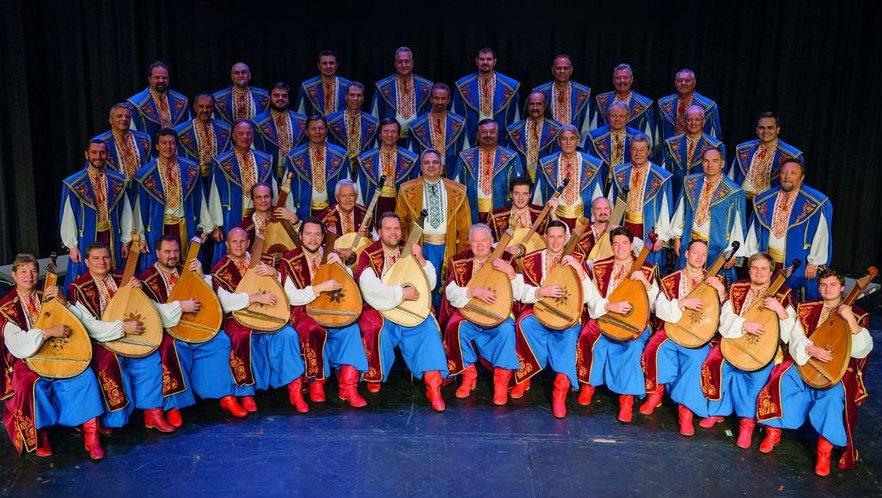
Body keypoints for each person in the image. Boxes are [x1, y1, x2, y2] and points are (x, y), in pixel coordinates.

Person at [755, 268, 874, 476]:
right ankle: (773, 432)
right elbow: (795, 336)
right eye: (823, 285)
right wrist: (811, 349)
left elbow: (862, 350)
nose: (828, 289)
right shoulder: (807, 308)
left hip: (835, 371)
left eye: (833, 285)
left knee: (833, 397)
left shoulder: (857, 314)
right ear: (818, 288)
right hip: (806, 360)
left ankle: (824, 452)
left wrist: (851, 321)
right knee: (782, 378)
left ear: (842, 288)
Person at [1, 254, 106, 459]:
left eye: (33, 271)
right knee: (31, 384)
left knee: (85, 376)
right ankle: (41, 435)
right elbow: (18, 344)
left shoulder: (47, 295)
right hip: (25, 357)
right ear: (14, 275)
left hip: (59, 349)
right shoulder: (6, 307)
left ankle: (91, 435)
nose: (29, 276)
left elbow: (74, 322)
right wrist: (47, 333)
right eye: (23, 272)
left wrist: (63, 301)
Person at [67, 242, 178, 433]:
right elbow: (91, 327)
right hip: (100, 342)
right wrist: (121, 328)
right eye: (96, 258)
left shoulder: (123, 277)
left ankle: (153, 413)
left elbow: (144, 306)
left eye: (106, 257)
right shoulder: (78, 288)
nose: (102, 262)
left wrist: (138, 290)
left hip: (131, 332)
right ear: (86, 262)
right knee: (111, 362)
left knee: (150, 358)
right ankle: (112, 420)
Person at [138, 235, 248, 423]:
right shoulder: (147, 279)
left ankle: (225, 396)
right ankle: (173, 406)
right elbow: (152, 311)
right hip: (170, 330)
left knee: (220, 340)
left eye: (175, 251)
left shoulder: (187, 269)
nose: (172, 255)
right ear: (157, 253)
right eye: (167, 252)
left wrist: (202, 276)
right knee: (170, 348)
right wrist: (180, 307)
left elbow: (211, 297)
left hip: (197, 323)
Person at [696, 252, 797, 449]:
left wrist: (780, 310)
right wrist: (744, 325)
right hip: (735, 339)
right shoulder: (738, 288)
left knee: (757, 376)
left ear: (771, 272)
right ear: (749, 270)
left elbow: (789, 333)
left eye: (764, 269)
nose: (759, 272)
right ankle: (717, 411)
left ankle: (747, 425)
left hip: (764, 348)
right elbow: (724, 317)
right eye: (754, 268)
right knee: (716, 363)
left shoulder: (782, 294)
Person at [354, 212, 447, 411]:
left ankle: (433, 387)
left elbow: (430, 283)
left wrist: (421, 259)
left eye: (396, 228)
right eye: (388, 229)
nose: (393, 233)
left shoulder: (411, 249)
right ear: (380, 232)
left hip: (411, 309)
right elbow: (369, 288)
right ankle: (375, 376)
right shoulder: (369, 255)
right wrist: (401, 293)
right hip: (381, 309)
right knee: (376, 329)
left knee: (428, 328)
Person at [209, 228, 309, 413]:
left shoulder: (265, 261)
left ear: (248, 243)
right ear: (227, 245)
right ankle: (246, 394)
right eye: (234, 241)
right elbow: (224, 302)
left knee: (288, 334)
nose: (238, 245)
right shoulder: (221, 269)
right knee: (242, 338)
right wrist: (253, 298)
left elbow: (287, 285)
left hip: (269, 312)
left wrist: (275, 273)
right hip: (238, 317)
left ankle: (295, 392)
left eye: (242, 241)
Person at [277, 218, 369, 408]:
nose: (313, 239)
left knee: (351, 330)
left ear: (323, 237)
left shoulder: (331, 254)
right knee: (314, 330)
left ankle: (348, 388)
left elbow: (349, 285)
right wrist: (319, 288)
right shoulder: (290, 260)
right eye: (308, 234)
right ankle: (316, 382)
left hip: (332, 308)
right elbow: (290, 297)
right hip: (303, 310)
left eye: (317, 234)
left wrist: (341, 266)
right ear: (300, 236)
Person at [639, 239, 727, 433]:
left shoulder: (715, 281)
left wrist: (721, 292)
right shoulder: (671, 280)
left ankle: (685, 412)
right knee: (655, 348)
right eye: (695, 253)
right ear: (686, 254)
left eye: (703, 255)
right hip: (673, 329)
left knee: (697, 359)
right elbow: (659, 307)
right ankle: (656, 394)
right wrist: (681, 303)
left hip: (700, 335)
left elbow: (726, 313)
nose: (699, 258)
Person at [574, 227, 659, 423]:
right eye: (615, 244)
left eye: (624, 243)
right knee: (588, 335)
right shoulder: (600, 267)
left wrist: (646, 284)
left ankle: (626, 401)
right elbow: (591, 296)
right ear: (611, 246)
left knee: (634, 346)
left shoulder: (646, 269)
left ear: (632, 245)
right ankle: (588, 385)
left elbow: (655, 306)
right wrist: (609, 306)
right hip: (605, 316)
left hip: (634, 322)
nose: (620, 248)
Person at [511, 220, 592, 418]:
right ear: (545, 237)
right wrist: (541, 291)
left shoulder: (577, 259)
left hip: (567, 314)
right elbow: (520, 292)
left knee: (569, 336)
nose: (555, 241)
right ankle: (525, 376)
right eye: (552, 237)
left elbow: (589, 296)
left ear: (566, 238)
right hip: (541, 309)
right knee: (524, 323)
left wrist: (578, 269)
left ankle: (560, 391)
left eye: (560, 237)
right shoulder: (532, 260)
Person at [441, 224, 522, 406]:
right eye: (475, 241)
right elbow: (451, 292)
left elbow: (519, 294)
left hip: (497, 313)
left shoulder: (506, 259)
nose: (479, 245)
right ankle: (469, 375)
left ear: (492, 241)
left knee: (506, 330)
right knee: (455, 326)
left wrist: (510, 272)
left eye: (484, 240)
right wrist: (473, 291)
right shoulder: (460, 261)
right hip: (470, 311)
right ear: (469, 243)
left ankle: (501, 383)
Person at [395, 149, 471, 308]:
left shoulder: (457, 190)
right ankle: (424, 314)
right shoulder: (407, 189)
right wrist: (404, 250)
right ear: (421, 167)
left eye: (435, 162)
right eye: (427, 162)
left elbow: (465, 228)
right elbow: (400, 223)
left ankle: (442, 319)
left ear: (441, 167)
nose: (431, 165)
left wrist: (462, 253)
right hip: (420, 246)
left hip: (449, 246)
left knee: (446, 287)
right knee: (421, 284)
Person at [746, 160, 832, 300]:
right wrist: (753, 256)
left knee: (791, 299)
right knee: (764, 298)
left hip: (798, 262)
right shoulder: (764, 199)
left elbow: (821, 235)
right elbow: (754, 230)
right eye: (784, 173)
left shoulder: (815, 202)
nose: (787, 177)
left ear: (801, 177)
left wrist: (814, 263)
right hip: (767, 261)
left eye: (793, 173)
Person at [134, 128, 214, 269]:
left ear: (176, 145)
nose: (168, 146)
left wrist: (206, 227)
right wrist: (140, 236)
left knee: (187, 265)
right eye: (164, 143)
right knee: (160, 266)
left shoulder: (191, 169)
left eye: (171, 143)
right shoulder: (145, 174)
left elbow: (199, 198)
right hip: (159, 227)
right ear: (157, 146)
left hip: (185, 225)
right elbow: (140, 207)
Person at [59, 140, 134, 291]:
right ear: (87, 154)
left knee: (113, 270)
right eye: (94, 152)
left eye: (102, 153)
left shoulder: (118, 181)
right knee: (85, 274)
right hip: (86, 238)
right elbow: (68, 216)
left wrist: (126, 241)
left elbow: (126, 212)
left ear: (107, 155)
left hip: (111, 236)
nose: (98, 156)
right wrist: (72, 247)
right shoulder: (75, 183)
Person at [208, 120, 284, 264]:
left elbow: (273, 189)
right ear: (233, 136)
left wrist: (277, 214)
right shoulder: (222, 161)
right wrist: (215, 225)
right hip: (231, 217)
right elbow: (214, 193)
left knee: (260, 254)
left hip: (260, 217)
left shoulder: (265, 160)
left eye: (249, 133)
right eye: (240, 133)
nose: (245, 137)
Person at [667, 147, 747, 283]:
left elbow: (737, 225)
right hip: (690, 241)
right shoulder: (690, 183)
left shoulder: (734, 191)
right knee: (686, 281)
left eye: (715, 161)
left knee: (712, 285)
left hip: (717, 247)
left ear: (722, 163)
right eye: (706, 161)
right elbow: (681, 210)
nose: (710, 165)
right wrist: (677, 237)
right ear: (702, 163)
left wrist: (733, 254)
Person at [608, 134, 673, 268]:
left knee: (646, 266)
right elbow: (611, 201)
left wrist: (661, 237)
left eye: (642, 150)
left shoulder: (661, 176)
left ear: (648, 151)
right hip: (624, 225)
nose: (637, 154)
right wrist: (612, 225)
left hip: (649, 229)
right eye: (634, 149)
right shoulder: (619, 172)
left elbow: (665, 209)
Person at [451, 119, 524, 222]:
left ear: (497, 134)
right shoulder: (465, 157)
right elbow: (456, 188)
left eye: (492, 132)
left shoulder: (511, 157)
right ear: (477, 135)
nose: (488, 135)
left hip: (503, 213)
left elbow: (520, 188)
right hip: (471, 213)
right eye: (484, 132)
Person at [535, 125, 606, 229]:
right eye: (564, 139)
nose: (568, 142)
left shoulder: (592, 164)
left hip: (582, 220)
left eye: (572, 138)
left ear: (578, 141)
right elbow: (538, 196)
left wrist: (596, 226)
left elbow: (597, 196)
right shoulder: (546, 163)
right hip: (554, 218)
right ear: (559, 142)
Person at [283, 115, 350, 221]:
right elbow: (287, 188)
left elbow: (348, 185)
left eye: (321, 128)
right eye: (313, 128)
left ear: (326, 130)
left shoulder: (340, 155)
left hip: (333, 212)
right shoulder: (294, 157)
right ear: (306, 132)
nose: (317, 132)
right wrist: (292, 214)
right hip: (303, 212)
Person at [728, 112, 804, 201]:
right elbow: (731, 177)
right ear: (757, 130)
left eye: (770, 128)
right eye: (761, 128)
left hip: (771, 203)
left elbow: (797, 186)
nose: (765, 131)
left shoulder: (792, 155)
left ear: (778, 130)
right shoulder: (743, 149)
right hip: (741, 200)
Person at [658, 105, 725, 200]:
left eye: (697, 120)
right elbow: (662, 174)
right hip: (674, 195)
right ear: (684, 121)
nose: (693, 123)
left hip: (702, 196)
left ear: (703, 122)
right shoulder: (669, 144)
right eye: (689, 119)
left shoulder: (716, 146)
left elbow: (722, 177)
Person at [453, 47, 520, 142]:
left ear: (495, 61)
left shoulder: (510, 85)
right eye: (481, 59)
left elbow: (515, 118)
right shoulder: (463, 85)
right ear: (476, 61)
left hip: (501, 138)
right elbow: (455, 116)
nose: (485, 62)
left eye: (489, 59)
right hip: (471, 138)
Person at [356, 118, 419, 214]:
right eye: (386, 131)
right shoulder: (365, 158)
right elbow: (360, 188)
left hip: (400, 204)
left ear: (398, 135)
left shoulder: (410, 159)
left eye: (393, 131)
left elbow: (415, 187)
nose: (390, 135)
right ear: (380, 135)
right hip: (373, 205)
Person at [371, 47, 433, 139]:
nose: (404, 65)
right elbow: (374, 117)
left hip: (419, 139)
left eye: (407, 61)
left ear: (412, 63)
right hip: (389, 139)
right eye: (400, 62)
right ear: (395, 64)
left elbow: (432, 115)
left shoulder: (426, 87)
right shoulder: (383, 86)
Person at [252, 83, 308, 178]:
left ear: (288, 99)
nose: (280, 98)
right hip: (268, 172)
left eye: (284, 96)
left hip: (295, 172)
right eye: (276, 95)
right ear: (270, 98)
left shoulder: (302, 120)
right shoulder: (257, 122)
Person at [531, 54, 593, 140]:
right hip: (547, 141)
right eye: (558, 68)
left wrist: (581, 143)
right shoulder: (539, 92)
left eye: (566, 68)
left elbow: (586, 123)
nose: (562, 71)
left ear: (571, 70)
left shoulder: (583, 93)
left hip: (573, 143)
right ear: (553, 70)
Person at [408, 83, 468, 172]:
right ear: (431, 99)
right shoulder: (416, 125)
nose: (440, 102)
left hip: (452, 173)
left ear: (448, 100)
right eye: (436, 98)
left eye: (443, 98)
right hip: (425, 173)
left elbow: (465, 151)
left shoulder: (459, 123)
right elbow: (412, 155)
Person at [591, 64, 655, 144]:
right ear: (613, 80)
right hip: (607, 147)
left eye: (625, 77)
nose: (622, 80)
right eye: (618, 78)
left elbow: (649, 136)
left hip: (634, 148)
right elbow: (594, 131)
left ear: (631, 79)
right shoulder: (601, 100)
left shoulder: (645, 103)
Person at [174, 94, 233, 181]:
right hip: (191, 179)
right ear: (195, 107)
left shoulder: (225, 129)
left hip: (218, 178)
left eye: (209, 107)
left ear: (213, 108)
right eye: (201, 106)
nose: (205, 110)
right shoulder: (179, 131)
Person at [506, 91, 562, 181]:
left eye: (539, 104)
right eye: (531, 104)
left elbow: (557, 158)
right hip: (520, 180)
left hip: (546, 179)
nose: (535, 108)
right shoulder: (514, 130)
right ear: (527, 106)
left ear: (545, 106)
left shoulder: (557, 129)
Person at [127, 61, 190, 139]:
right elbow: (131, 134)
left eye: (165, 78)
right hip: (150, 146)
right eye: (157, 77)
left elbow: (188, 129)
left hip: (176, 146)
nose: (161, 81)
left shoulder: (182, 101)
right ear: (149, 79)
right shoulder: (135, 104)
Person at [656, 69, 722, 141]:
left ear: (694, 83)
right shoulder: (663, 103)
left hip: (698, 147)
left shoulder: (708, 106)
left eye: (687, 81)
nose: (683, 83)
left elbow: (715, 137)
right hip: (669, 147)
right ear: (675, 83)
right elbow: (657, 135)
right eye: (679, 81)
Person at [92, 103, 152, 181]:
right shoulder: (99, 142)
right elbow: (93, 169)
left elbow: (148, 166)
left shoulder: (144, 139)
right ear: (111, 120)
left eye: (127, 117)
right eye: (119, 116)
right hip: (112, 186)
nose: (124, 119)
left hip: (139, 186)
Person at [587, 102, 642, 185]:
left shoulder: (639, 137)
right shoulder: (594, 136)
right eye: (613, 115)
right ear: (608, 117)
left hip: (629, 182)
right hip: (601, 181)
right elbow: (588, 163)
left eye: (621, 116)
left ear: (628, 118)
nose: (617, 119)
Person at [326, 82, 380, 166]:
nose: (355, 98)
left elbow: (375, 148)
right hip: (338, 165)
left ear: (363, 98)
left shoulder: (373, 122)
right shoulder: (331, 120)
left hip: (364, 166)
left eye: (359, 95)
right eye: (352, 95)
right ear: (346, 97)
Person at [486, 176, 547, 244]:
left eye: (525, 194)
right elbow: (486, 243)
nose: (521, 198)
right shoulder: (496, 216)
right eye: (517, 193)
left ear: (530, 195)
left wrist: (553, 215)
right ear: (511, 194)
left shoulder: (542, 213)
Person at [296, 51, 351, 116]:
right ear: (319, 66)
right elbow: (300, 114)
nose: (328, 66)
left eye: (331, 63)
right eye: (324, 63)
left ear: (336, 65)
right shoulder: (307, 86)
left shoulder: (348, 86)